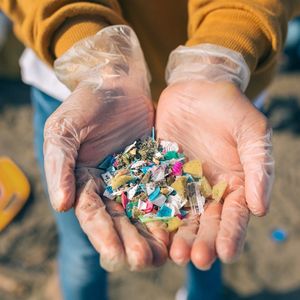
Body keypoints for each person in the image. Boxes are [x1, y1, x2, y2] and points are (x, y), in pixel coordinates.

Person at [0, 1, 297, 299]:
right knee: (84, 247)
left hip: (221, 95)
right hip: (82, 88)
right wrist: (87, 49)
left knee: (209, 241)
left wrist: (220, 57)